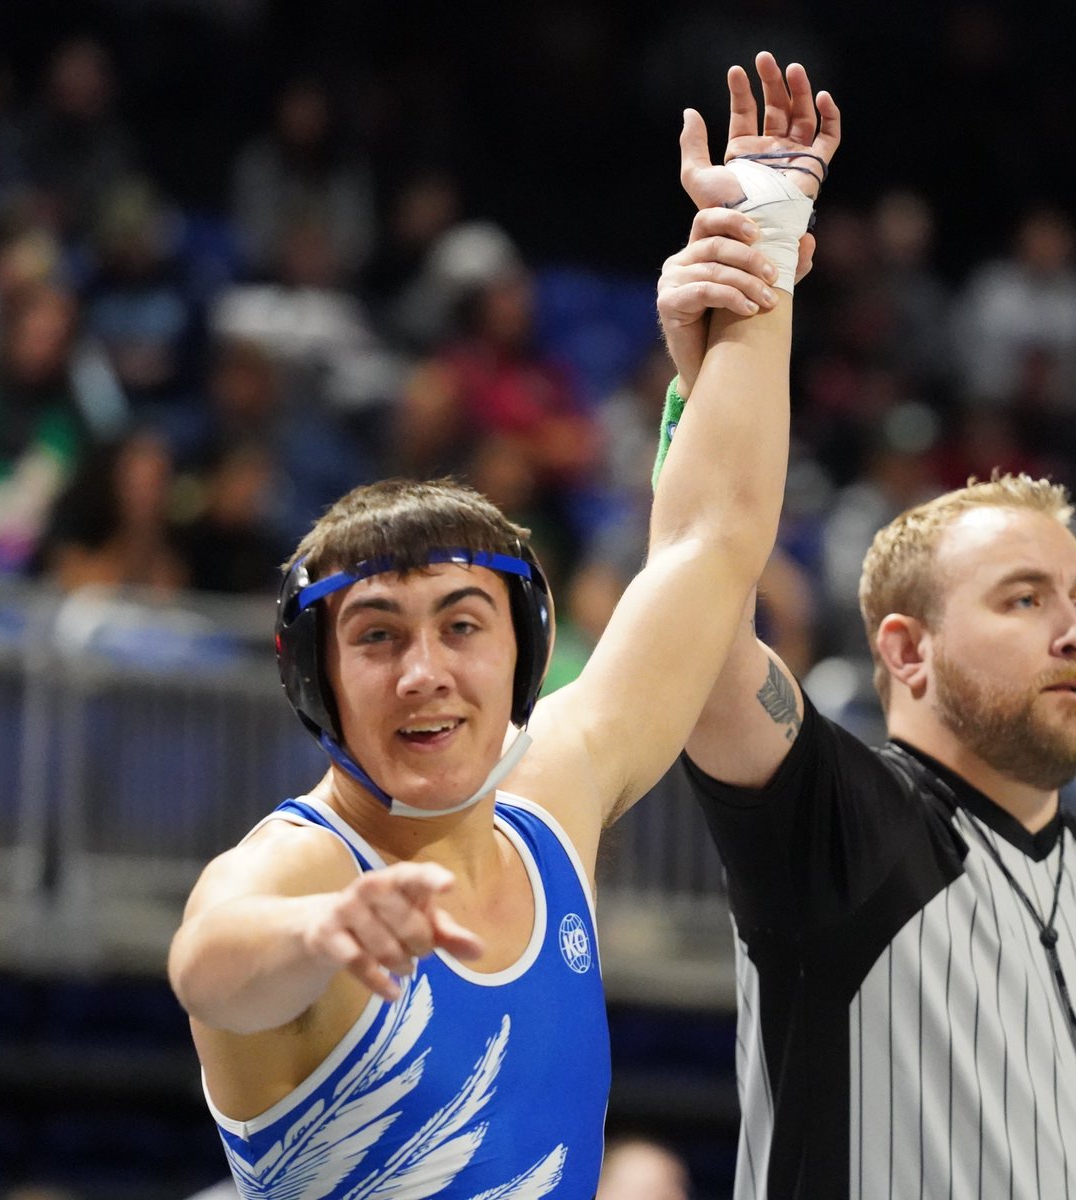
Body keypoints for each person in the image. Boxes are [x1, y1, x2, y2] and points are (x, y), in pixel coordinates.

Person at [166, 53, 840, 1199]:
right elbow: (209, 964)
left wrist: (761, 255)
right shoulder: (303, 867)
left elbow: (710, 546)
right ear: (319, 678)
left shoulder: (553, 806)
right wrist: (327, 932)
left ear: (523, 651)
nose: (425, 672)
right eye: (377, 636)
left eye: (461, 625)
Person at [672, 198, 1076, 1199]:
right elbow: (698, 625)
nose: (1072, 629)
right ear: (907, 649)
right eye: (1024, 599)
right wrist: (724, 353)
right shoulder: (846, 826)